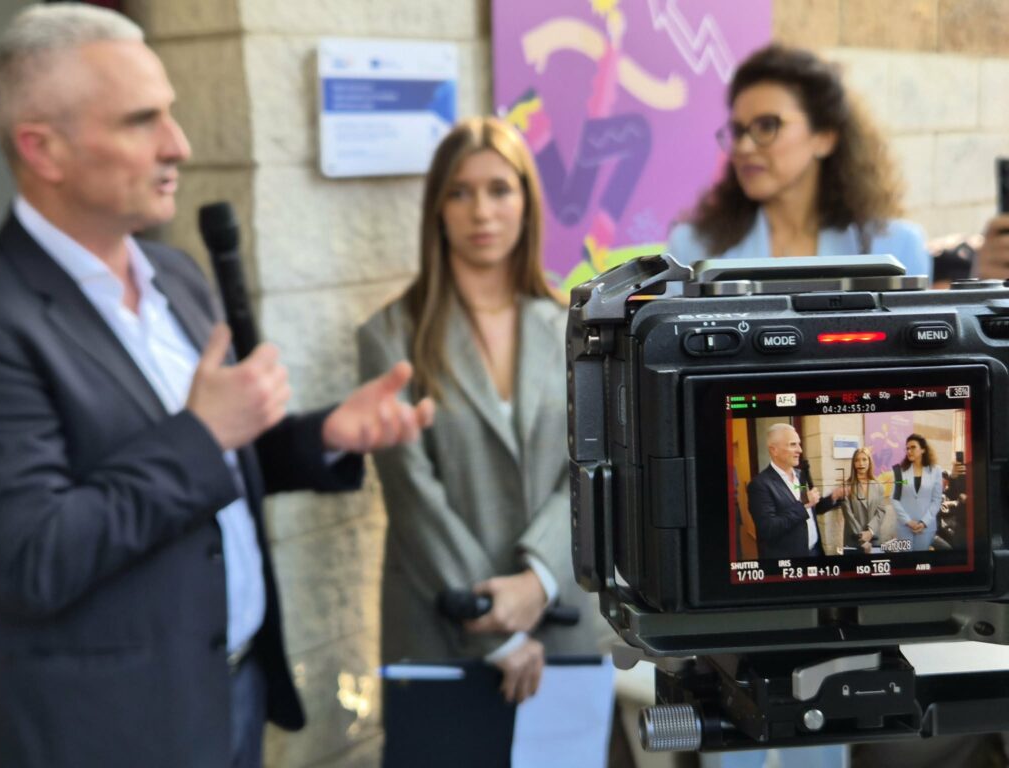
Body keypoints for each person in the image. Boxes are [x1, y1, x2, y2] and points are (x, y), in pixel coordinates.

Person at [0, 6, 434, 768]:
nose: (179, 145)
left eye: (171, 113)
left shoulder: (176, 276)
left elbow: (219, 462)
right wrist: (202, 433)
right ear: (42, 149)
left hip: (236, 691)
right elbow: (33, 557)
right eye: (141, 121)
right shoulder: (0, 317)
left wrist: (319, 436)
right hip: (111, 732)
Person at [357, 117, 608, 706]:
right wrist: (492, 627)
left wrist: (538, 580)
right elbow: (412, 496)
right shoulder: (388, 336)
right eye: (460, 193)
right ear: (437, 209)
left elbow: (592, 467)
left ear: (527, 202)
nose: (482, 212)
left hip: (561, 617)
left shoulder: (574, 327)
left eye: (499, 189)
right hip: (443, 629)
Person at [667, 44, 931, 280]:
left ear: (824, 137)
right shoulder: (691, 251)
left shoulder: (897, 249)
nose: (744, 147)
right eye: (739, 131)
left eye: (767, 126)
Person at [746, 424, 843, 560]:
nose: (800, 450)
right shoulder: (760, 485)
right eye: (793, 444)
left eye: (799, 444)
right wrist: (803, 504)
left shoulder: (800, 475)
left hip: (815, 552)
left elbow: (812, 508)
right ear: (774, 450)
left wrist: (834, 496)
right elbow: (768, 529)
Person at [891, 433, 944, 552]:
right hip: (904, 527)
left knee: (921, 560)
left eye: (913, 447)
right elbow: (895, 499)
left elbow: (936, 500)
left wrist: (924, 522)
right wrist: (908, 521)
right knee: (905, 560)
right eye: (907, 448)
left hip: (926, 527)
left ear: (923, 449)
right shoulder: (899, 471)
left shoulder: (935, 470)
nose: (909, 451)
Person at [838, 448, 889, 554]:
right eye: (857, 460)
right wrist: (862, 539)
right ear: (853, 464)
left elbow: (881, 511)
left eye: (864, 459)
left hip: (874, 538)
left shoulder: (878, 486)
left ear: (870, 462)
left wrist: (870, 531)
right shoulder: (845, 486)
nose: (861, 463)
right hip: (853, 541)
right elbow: (848, 516)